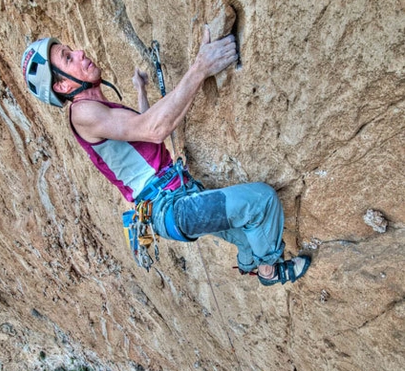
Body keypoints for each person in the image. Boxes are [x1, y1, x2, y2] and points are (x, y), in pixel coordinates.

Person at [21, 29, 311, 285]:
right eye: (68, 58)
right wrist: (200, 67)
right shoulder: (82, 113)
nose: (80, 53)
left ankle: (250, 263)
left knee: (250, 235)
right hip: (170, 207)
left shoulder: (98, 109)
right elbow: (155, 128)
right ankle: (269, 272)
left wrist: (140, 90)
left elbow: (146, 126)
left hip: (175, 197)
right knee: (262, 201)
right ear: (62, 86)